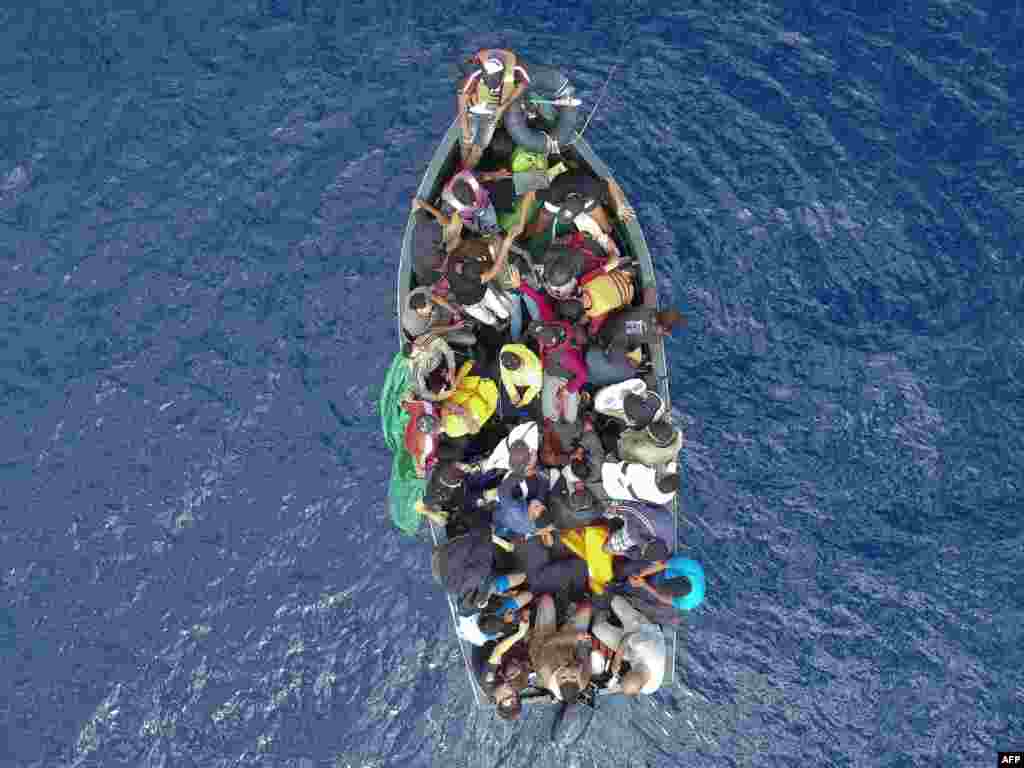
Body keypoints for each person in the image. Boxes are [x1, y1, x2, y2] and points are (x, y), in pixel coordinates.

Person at [458, 49, 530, 169]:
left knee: (477, 151)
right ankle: (463, 170)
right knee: (466, 144)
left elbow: (523, 83)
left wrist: (503, 106)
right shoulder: (475, 74)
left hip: (492, 112)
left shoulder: (515, 70)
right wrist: (465, 128)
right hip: (475, 109)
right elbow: (462, 101)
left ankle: (467, 171)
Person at [591, 595, 666, 695]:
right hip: (642, 629)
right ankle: (618, 608)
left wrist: (604, 690)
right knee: (614, 601)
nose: (623, 675)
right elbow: (627, 637)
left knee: (597, 628)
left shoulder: (648, 689)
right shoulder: (646, 648)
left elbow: (629, 686)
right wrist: (617, 660)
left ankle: (604, 613)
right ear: (630, 672)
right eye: (625, 676)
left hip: (634, 654)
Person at [528, 594, 593, 703]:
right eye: (573, 676)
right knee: (587, 608)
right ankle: (567, 618)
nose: (568, 672)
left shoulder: (545, 669)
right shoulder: (583, 680)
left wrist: (574, 637)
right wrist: (584, 641)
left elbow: (548, 641)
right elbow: (585, 655)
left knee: (546, 599)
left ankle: (540, 610)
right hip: (567, 645)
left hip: (544, 641)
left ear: (557, 683)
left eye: (563, 677)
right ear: (578, 681)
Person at [446, 238, 515, 328]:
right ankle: (502, 324)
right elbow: (493, 271)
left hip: (472, 298)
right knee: (496, 313)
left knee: (494, 316)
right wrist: (505, 246)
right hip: (472, 300)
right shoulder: (470, 268)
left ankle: (501, 324)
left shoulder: (452, 258)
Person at [495, 441, 554, 541]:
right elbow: (543, 487)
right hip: (520, 516)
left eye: (536, 506)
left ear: (532, 516)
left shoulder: (513, 509)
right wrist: (538, 471)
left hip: (501, 511)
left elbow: (502, 490)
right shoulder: (538, 523)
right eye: (542, 506)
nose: (539, 504)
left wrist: (521, 474)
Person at [532, 322, 587, 424]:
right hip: (550, 371)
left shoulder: (565, 356)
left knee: (570, 417)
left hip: (567, 378)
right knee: (549, 413)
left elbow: (583, 375)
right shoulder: (557, 326)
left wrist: (568, 389)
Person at [481, 611, 532, 720]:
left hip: (487, 637)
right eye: (513, 695)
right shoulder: (510, 686)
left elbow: (498, 650)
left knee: (500, 621)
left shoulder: (489, 682)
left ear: (497, 701)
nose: (509, 691)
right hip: (504, 644)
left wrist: (520, 633)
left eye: (506, 697)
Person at [624, 555, 706, 614]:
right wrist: (640, 575)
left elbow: (662, 597)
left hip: (662, 585)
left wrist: (643, 584)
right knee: (631, 569)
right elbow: (662, 565)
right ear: (680, 577)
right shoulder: (690, 567)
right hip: (664, 570)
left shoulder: (687, 603)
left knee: (634, 588)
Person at [439, 360, 499, 438]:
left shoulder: (451, 429)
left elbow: (445, 405)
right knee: (494, 364)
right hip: (489, 386)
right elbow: (491, 407)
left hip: (470, 378)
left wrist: (458, 409)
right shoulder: (478, 421)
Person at [402, 286, 476, 346]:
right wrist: (454, 327)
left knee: (462, 304)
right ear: (419, 310)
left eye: (431, 305)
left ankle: (472, 321)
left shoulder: (421, 292)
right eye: (430, 310)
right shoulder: (416, 326)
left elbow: (438, 299)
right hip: (437, 330)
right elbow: (433, 330)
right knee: (471, 340)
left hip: (440, 311)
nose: (432, 310)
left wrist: (454, 311)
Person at [597, 307, 686, 355]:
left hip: (608, 321)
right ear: (665, 328)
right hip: (607, 342)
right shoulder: (655, 338)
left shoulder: (648, 311)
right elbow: (632, 345)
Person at [406, 333, 457, 402]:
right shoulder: (416, 369)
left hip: (443, 356)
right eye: (418, 353)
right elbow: (425, 393)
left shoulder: (426, 339)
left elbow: (449, 352)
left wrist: (451, 370)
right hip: (433, 371)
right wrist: (443, 395)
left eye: (418, 346)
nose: (423, 348)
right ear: (413, 358)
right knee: (437, 389)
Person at [601, 461, 679, 505]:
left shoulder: (640, 473)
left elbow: (625, 464)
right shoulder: (666, 498)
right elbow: (671, 468)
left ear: (658, 479)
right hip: (615, 494)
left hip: (609, 479)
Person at [617, 419, 683, 467]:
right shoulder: (678, 441)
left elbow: (622, 437)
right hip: (659, 458)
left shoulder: (638, 449)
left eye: (647, 430)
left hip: (634, 457)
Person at [498, 344, 543, 410]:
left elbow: (536, 387)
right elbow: (505, 376)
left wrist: (524, 401)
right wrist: (513, 394)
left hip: (530, 383)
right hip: (518, 381)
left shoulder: (534, 370)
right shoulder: (505, 351)